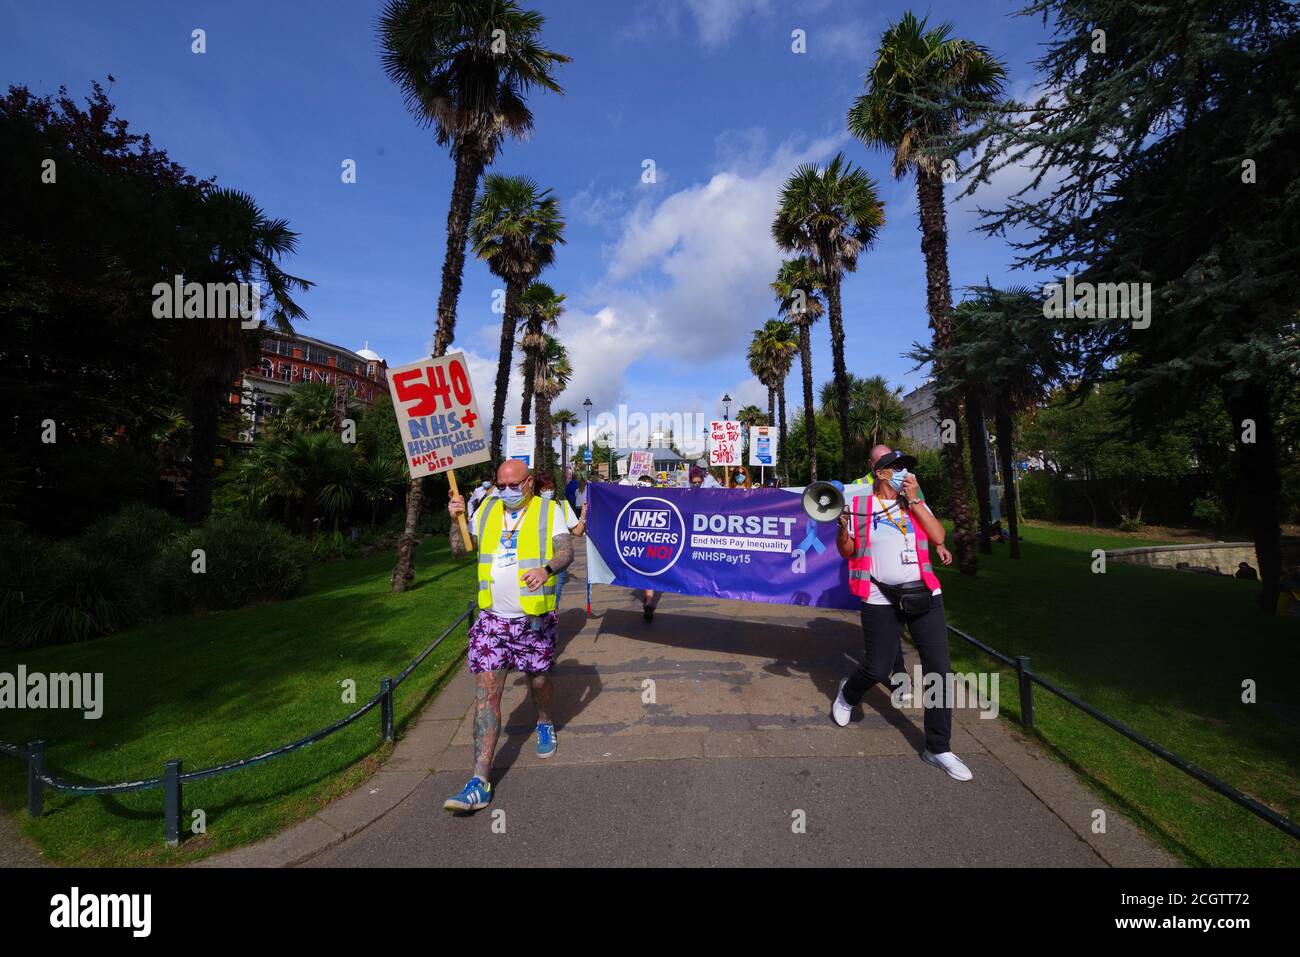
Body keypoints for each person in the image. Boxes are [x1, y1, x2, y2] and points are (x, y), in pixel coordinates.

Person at [831, 446, 970, 780]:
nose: (902, 471)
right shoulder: (859, 505)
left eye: (905, 466)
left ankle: (938, 747)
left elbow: (938, 536)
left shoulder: (915, 502)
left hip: (924, 594)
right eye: (895, 466)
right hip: (880, 596)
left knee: (939, 669)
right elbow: (847, 551)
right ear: (879, 473)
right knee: (877, 666)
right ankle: (848, 694)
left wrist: (917, 501)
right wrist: (842, 528)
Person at [443, 460, 575, 811]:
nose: (505, 490)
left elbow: (566, 550)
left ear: (529, 482)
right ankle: (479, 780)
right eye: (500, 484)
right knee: (487, 695)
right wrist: (455, 520)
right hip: (492, 621)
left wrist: (546, 570)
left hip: (532, 621)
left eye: (512, 484)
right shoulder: (486, 509)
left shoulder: (549, 509)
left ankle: (545, 721)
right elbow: (459, 550)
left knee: (539, 683)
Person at [536, 472, 587, 605]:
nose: (548, 491)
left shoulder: (562, 505)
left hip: (557, 565)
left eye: (551, 487)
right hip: (533, 563)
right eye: (544, 488)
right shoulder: (530, 507)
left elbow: (578, 531)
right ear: (537, 489)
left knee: (553, 602)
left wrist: (583, 515)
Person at [634, 472, 659, 621]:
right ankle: (648, 601)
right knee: (649, 572)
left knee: (648, 572)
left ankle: (648, 601)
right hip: (639, 544)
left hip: (649, 543)